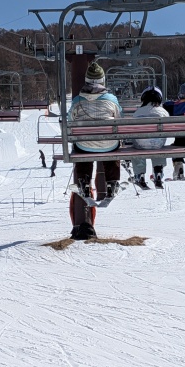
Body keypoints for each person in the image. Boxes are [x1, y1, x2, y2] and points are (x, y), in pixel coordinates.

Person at [67, 62, 122, 239]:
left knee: (82, 149)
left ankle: (83, 181)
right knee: (110, 148)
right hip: (109, 145)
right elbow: (119, 118)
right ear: (103, 80)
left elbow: (70, 120)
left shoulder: (77, 100)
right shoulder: (111, 99)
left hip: (84, 145)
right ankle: (112, 182)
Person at [130, 86, 168, 190]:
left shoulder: (138, 112)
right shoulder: (163, 112)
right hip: (158, 144)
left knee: (138, 146)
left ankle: (140, 175)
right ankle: (158, 172)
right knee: (158, 145)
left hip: (140, 144)